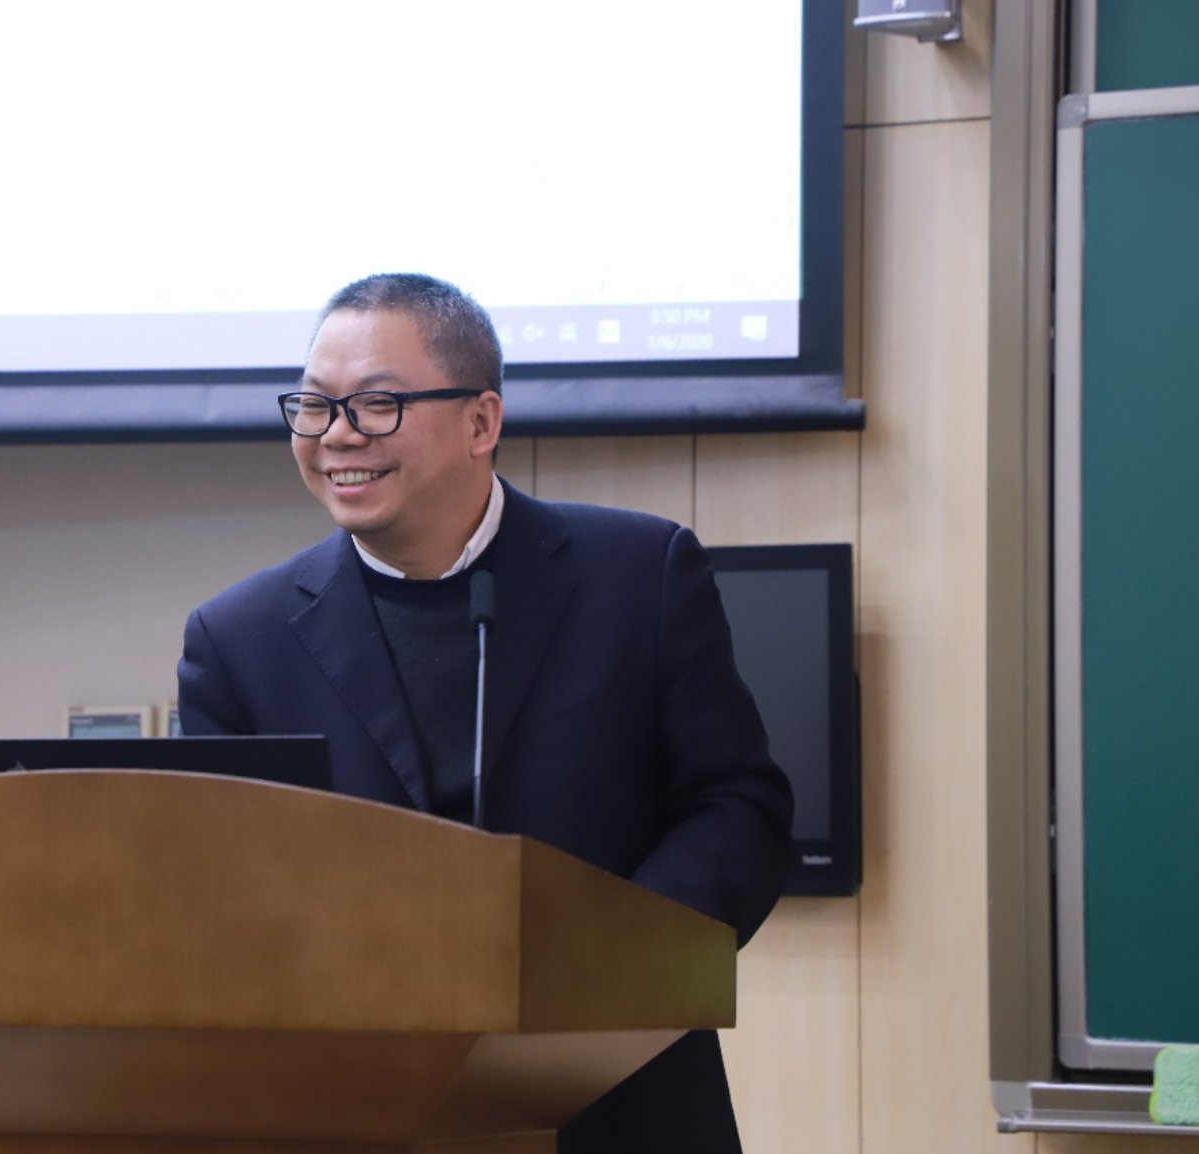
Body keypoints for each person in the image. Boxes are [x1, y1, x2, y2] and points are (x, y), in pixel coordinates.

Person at [177, 272, 794, 1153]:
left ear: (481, 421)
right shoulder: (239, 638)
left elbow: (738, 810)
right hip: (353, 1113)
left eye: (378, 403)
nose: (337, 434)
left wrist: (610, 969)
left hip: (616, 1097)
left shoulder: (639, 574)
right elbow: (216, 890)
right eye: (313, 405)